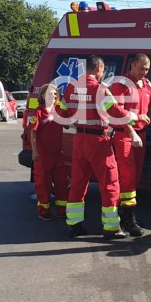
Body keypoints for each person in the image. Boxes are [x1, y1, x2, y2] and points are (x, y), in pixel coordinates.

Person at [56, 56, 140, 239]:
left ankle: (74, 225)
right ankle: (111, 228)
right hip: (99, 142)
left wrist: (75, 122)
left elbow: (61, 113)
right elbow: (115, 111)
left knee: (77, 184)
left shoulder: (70, 88)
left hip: (79, 141)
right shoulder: (100, 89)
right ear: (99, 68)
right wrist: (135, 117)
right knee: (110, 184)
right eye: (103, 70)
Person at [109, 53, 151, 237]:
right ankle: (126, 219)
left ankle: (129, 214)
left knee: (136, 176)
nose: (144, 72)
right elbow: (118, 113)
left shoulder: (146, 85)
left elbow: (150, 109)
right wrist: (132, 130)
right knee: (127, 177)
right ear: (132, 65)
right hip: (124, 135)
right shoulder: (121, 85)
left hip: (141, 135)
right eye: (141, 68)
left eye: (147, 69)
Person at [28, 84, 68, 220]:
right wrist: (34, 152)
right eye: (50, 94)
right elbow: (32, 133)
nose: (53, 96)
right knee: (43, 184)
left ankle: (62, 209)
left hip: (58, 153)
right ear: (43, 96)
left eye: (55, 94)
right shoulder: (38, 112)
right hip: (43, 155)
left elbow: (68, 122)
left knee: (61, 183)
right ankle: (44, 211)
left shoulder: (59, 110)